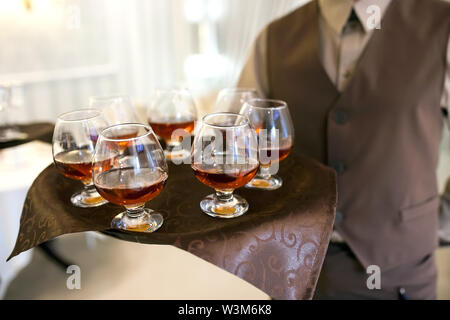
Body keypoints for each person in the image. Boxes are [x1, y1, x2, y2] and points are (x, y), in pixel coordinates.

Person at [238, 0, 450, 299]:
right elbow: (237, 148)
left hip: (399, 278)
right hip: (294, 275)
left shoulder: (442, 26)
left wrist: (434, 222)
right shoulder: (272, 40)